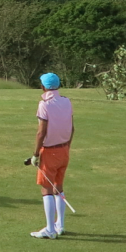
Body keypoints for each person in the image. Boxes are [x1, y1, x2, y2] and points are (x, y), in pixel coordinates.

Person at [30, 72, 74, 239]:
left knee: (46, 190)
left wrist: (35, 154)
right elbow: (72, 127)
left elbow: (41, 132)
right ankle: (60, 225)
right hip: (64, 150)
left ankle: (50, 229)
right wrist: (67, 146)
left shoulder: (44, 104)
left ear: (43, 87)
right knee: (58, 187)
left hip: (49, 151)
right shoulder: (67, 101)